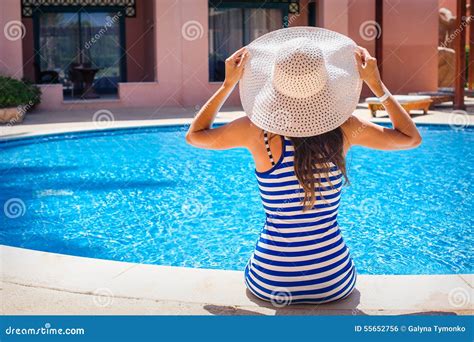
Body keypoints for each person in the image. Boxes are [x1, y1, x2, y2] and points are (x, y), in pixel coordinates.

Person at [186, 27, 421, 305]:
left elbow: (195, 135)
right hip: (333, 281)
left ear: (275, 81)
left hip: (269, 280)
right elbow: (410, 138)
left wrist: (227, 85)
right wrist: (377, 85)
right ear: (325, 82)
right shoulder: (346, 129)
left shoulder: (254, 131)